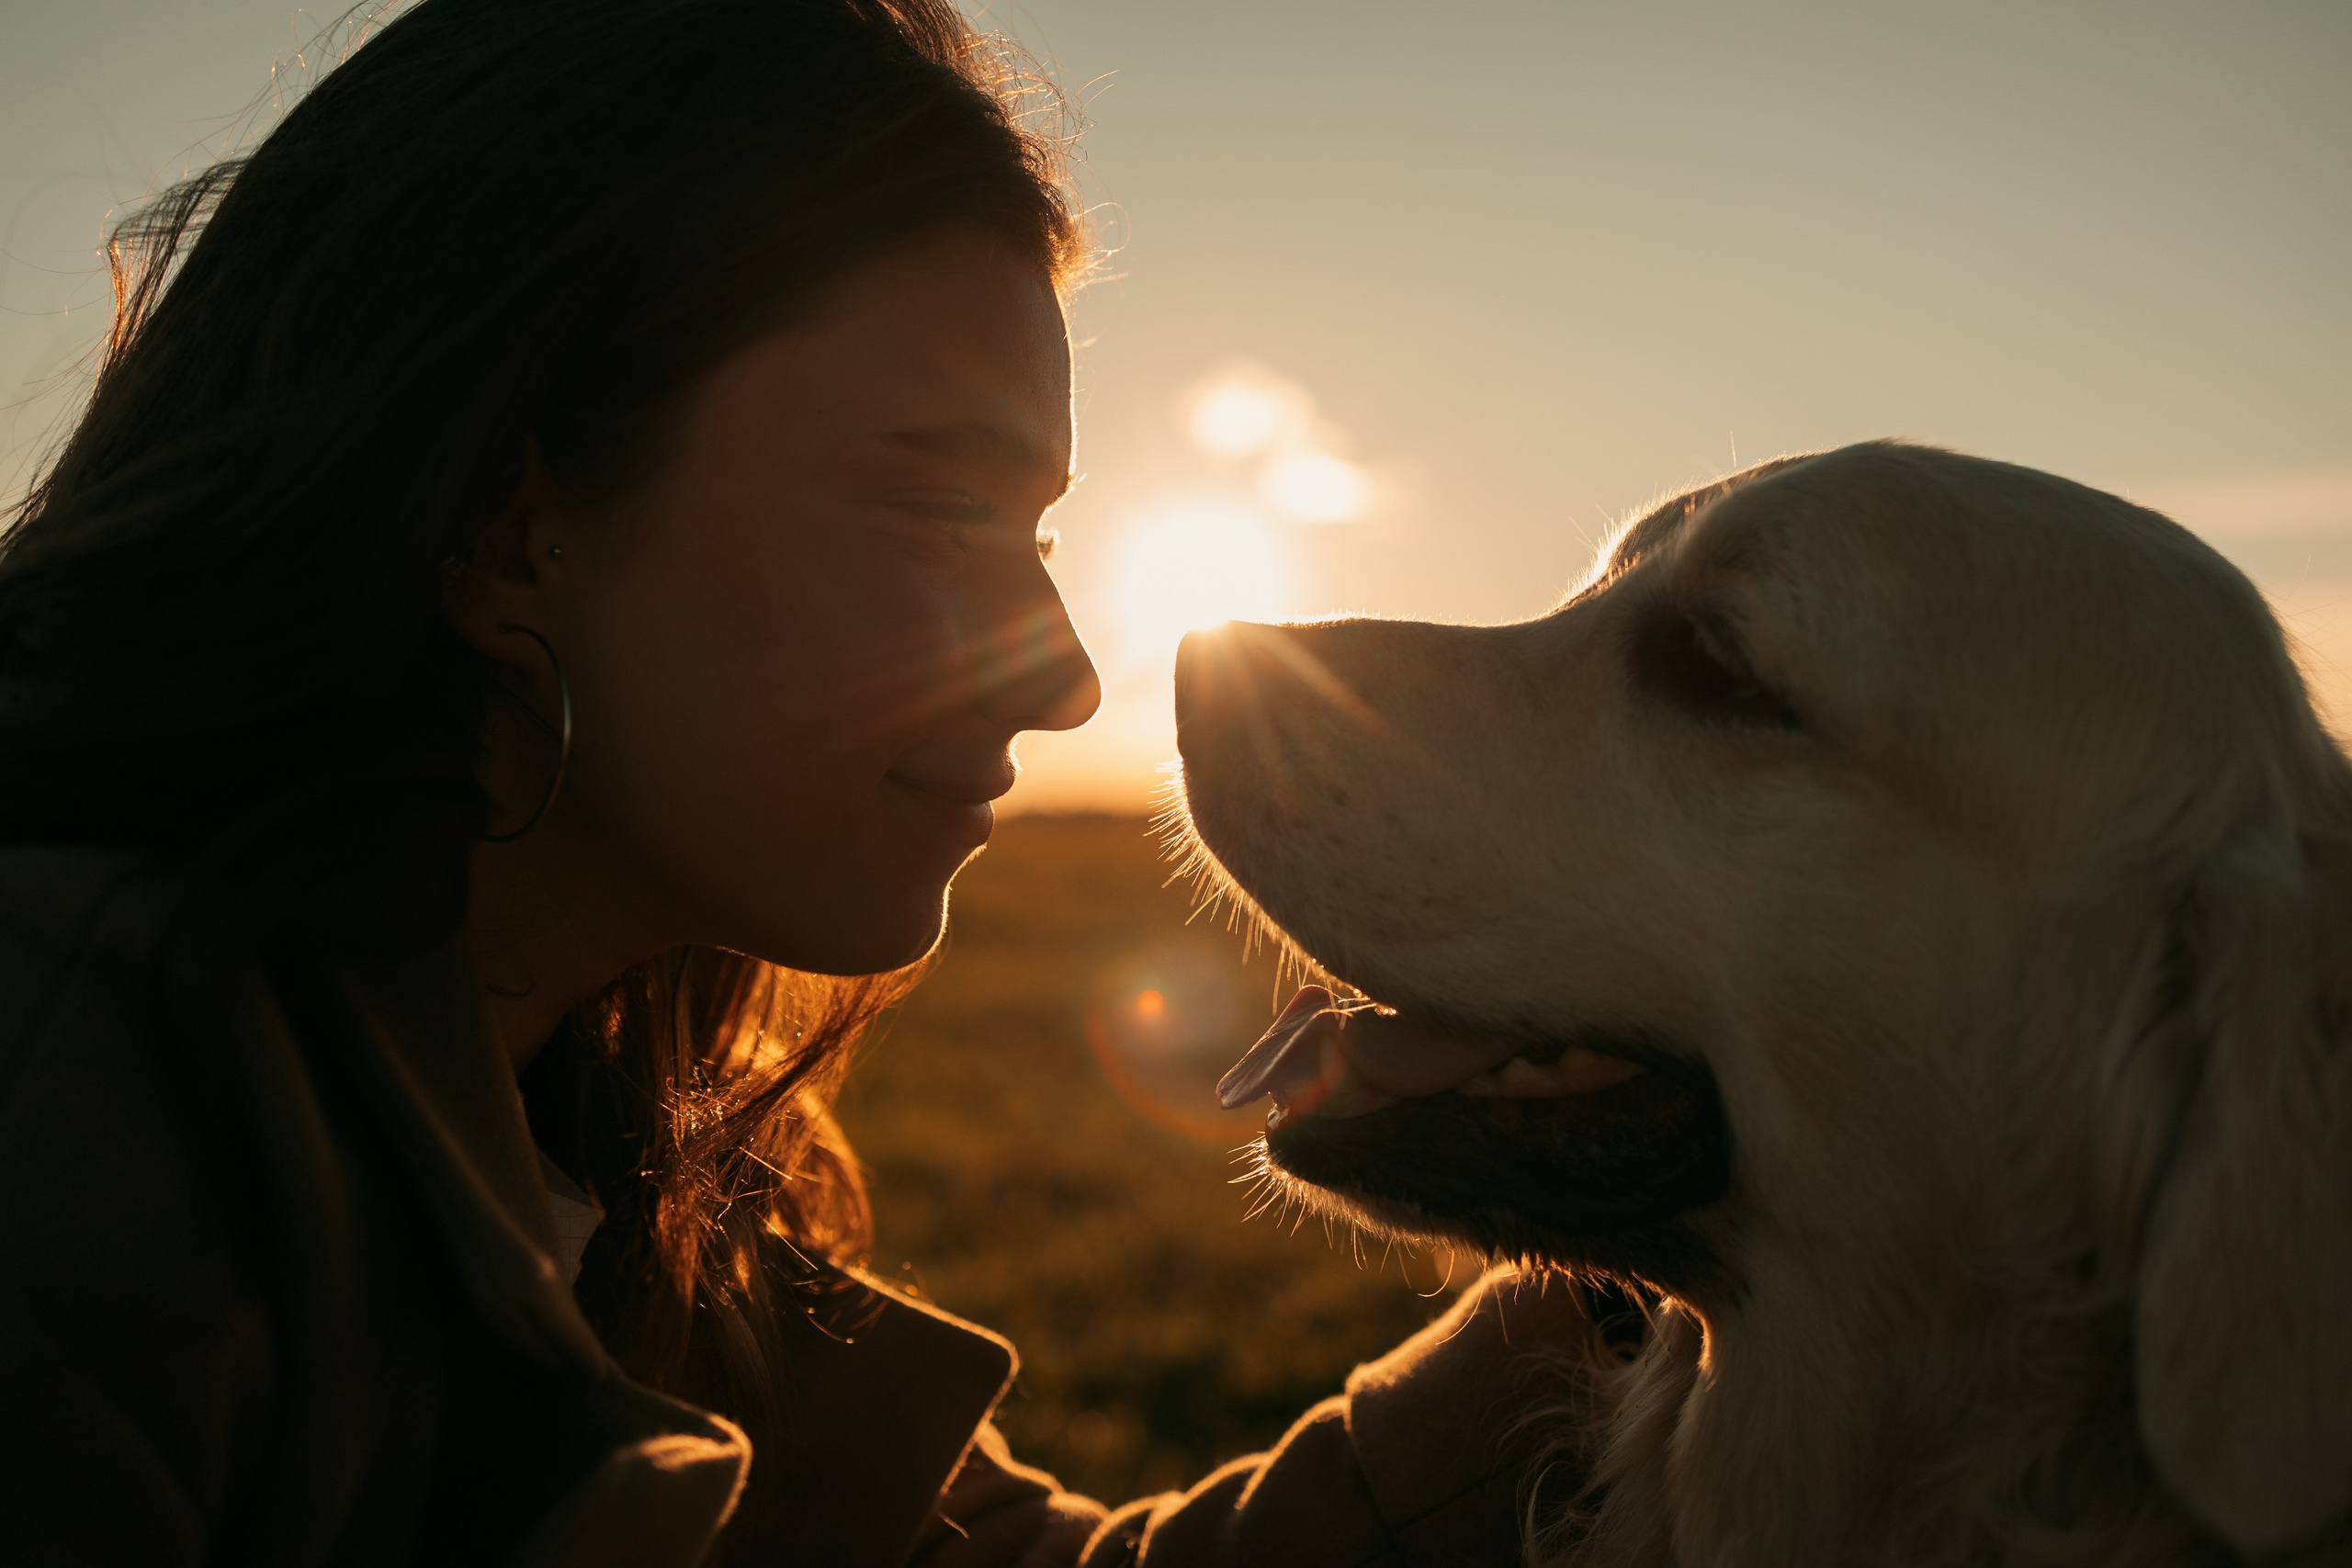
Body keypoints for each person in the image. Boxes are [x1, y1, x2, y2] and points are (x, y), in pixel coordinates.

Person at [0, 2, 1592, 1562]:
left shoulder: (613, 1167)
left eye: (1033, 540)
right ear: (504, 523)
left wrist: (1669, 1213)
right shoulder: (77, 1114)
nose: (1066, 677)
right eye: (937, 515)